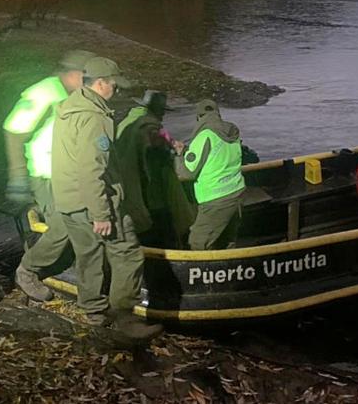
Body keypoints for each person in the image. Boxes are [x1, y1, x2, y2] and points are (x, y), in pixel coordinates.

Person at [51, 57, 162, 339]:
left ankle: (93, 313)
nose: (117, 89)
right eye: (114, 84)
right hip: (96, 201)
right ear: (100, 84)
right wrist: (101, 213)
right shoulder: (95, 118)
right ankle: (125, 319)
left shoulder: (69, 107)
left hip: (69, 199)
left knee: (88, 256)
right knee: (127, 254)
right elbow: (92, 169)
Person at [2, 50, 96, 302]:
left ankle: (78, 275)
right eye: (86, 77)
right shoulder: (44, 93)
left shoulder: (77, 96)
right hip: (46, 175)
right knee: (63, 226)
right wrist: (18, 174)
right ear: (73, 74)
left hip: (71, 176)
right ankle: (28, 270)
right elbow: (13, 130)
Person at [116, 90, 194, 247]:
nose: (163, 116)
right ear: (158, 110)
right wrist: (176, 153)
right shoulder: (152, 128)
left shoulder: (126, 124)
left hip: (126, 190)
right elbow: (157, 160)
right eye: (162, 112)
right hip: (154, 197)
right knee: (163, 235)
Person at [174, 100, 246, 250]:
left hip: (215, 199)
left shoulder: (204, 136)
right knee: (227, 241)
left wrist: (181, 155)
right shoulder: (232, 132)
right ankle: (229, 270)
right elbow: (216, 157)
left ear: (199, 117)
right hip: (236, 193)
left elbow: (187, 173)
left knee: (199, 242)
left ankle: (207, 273)